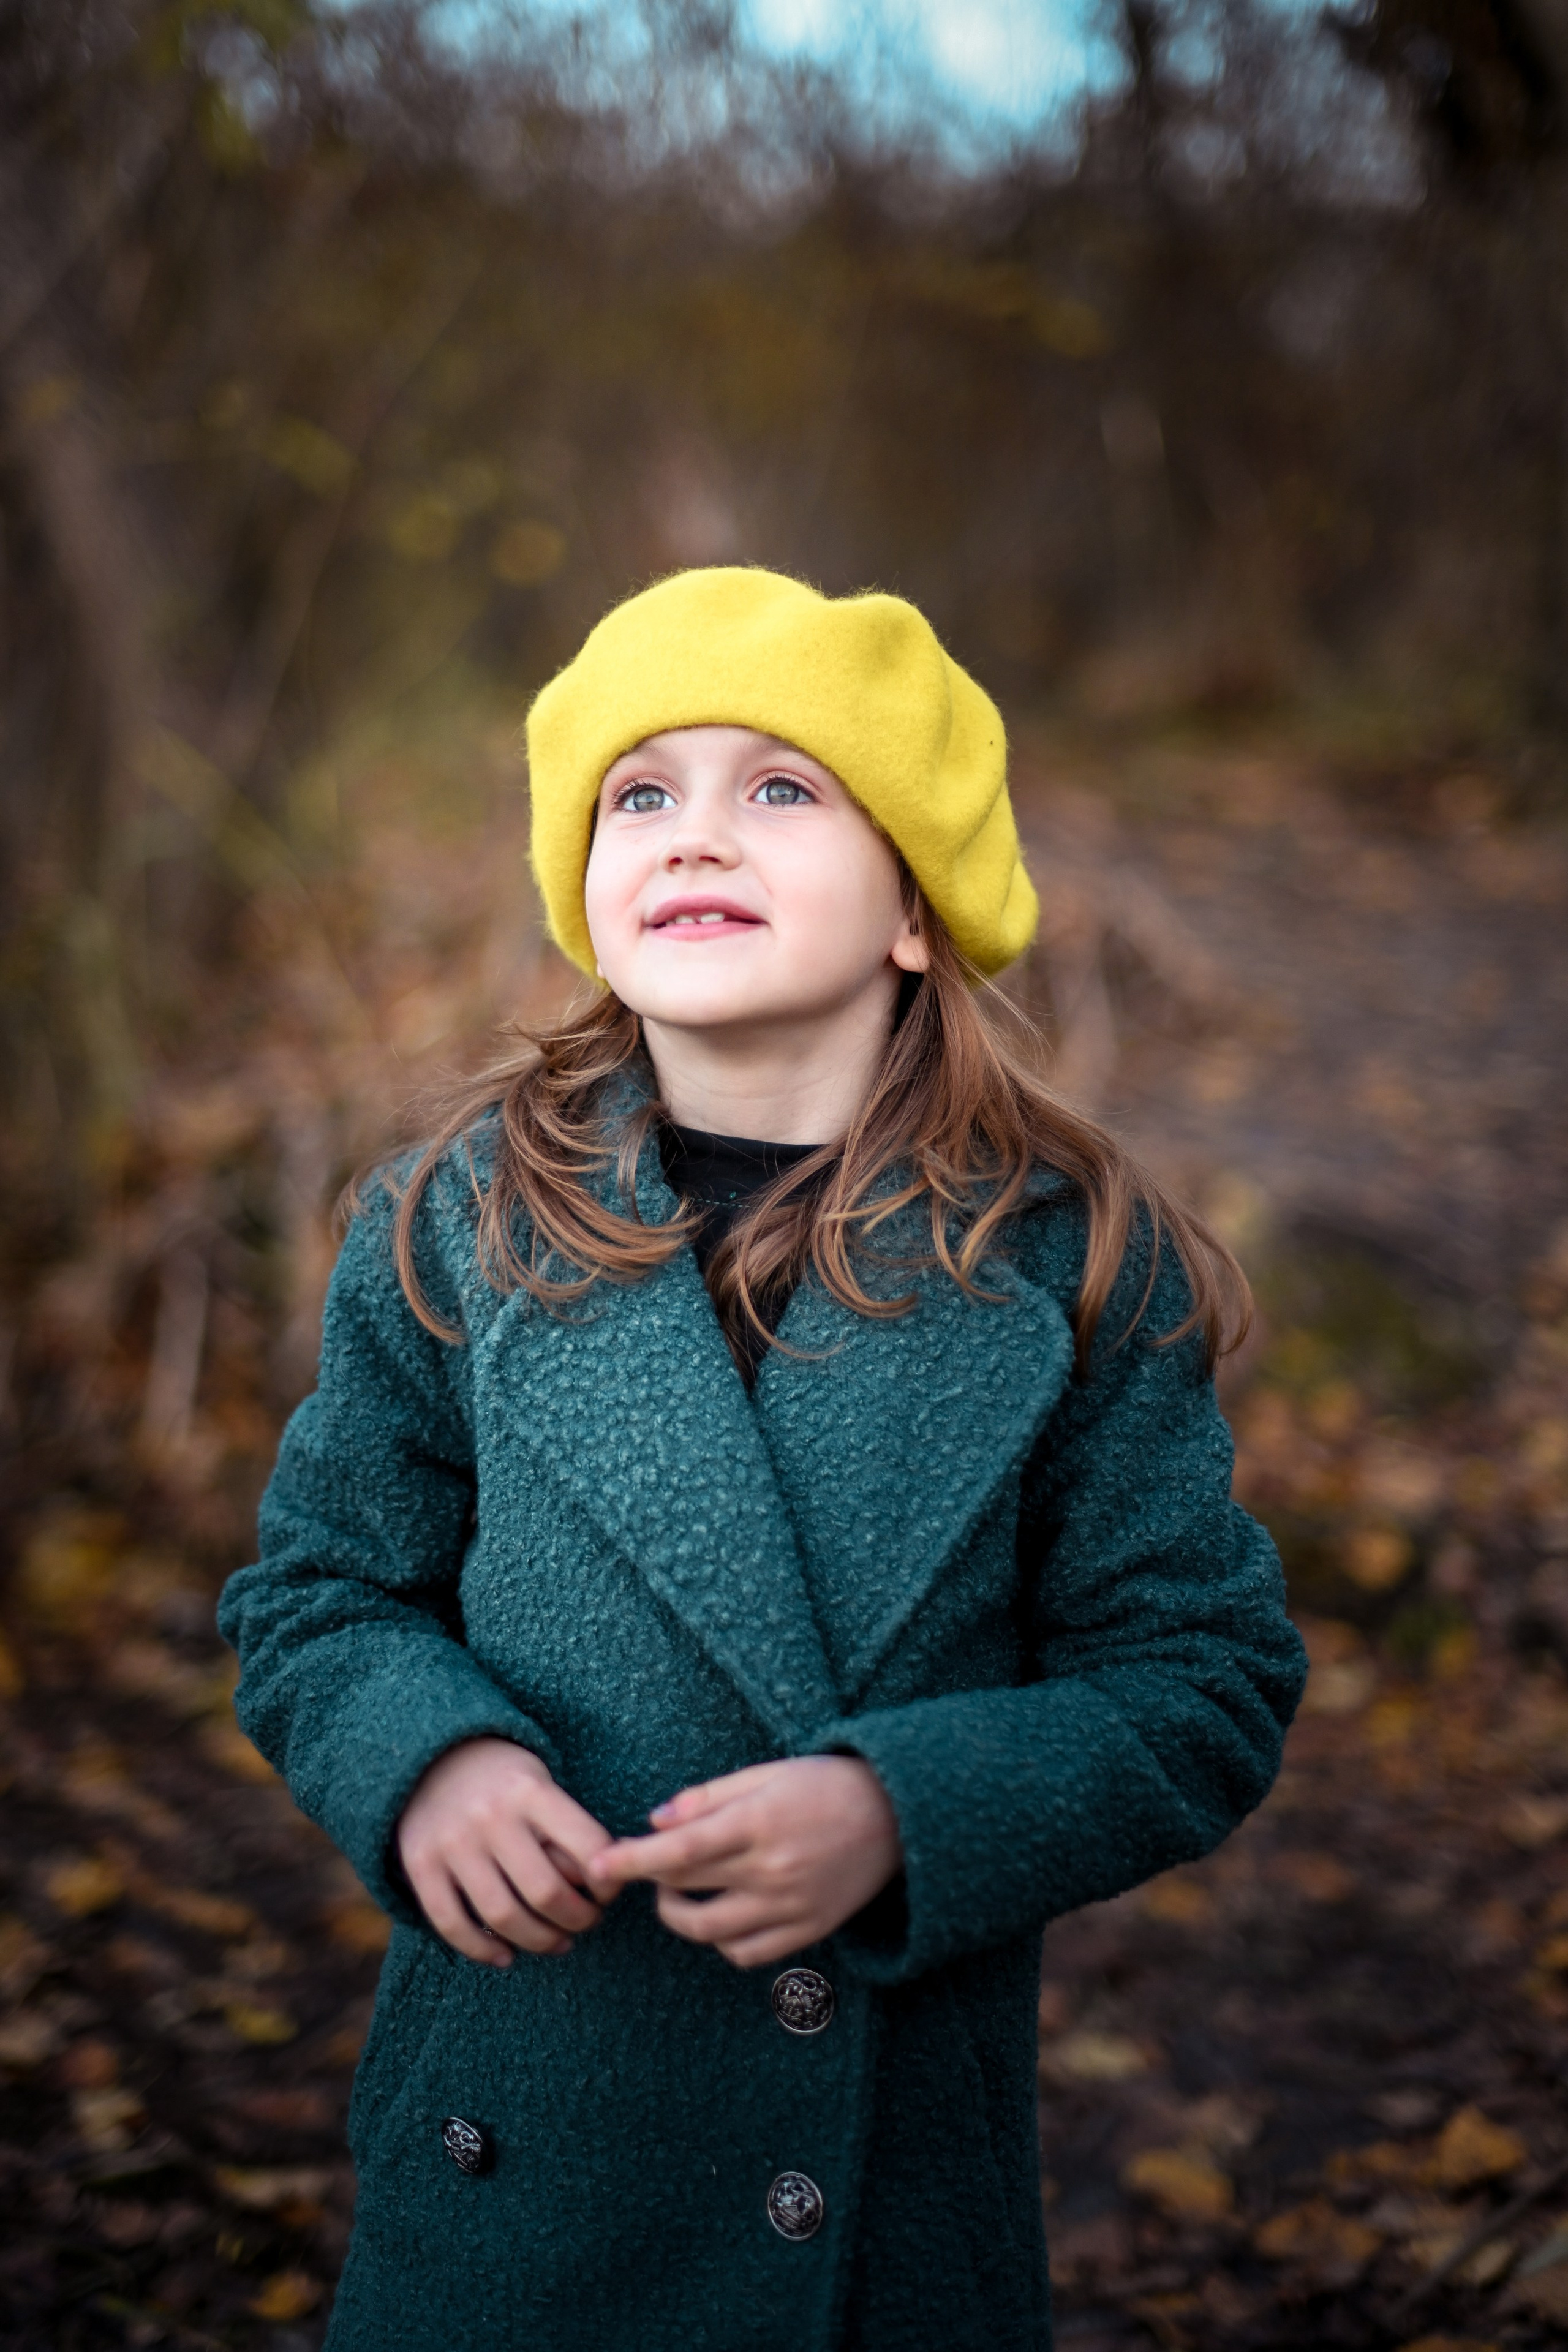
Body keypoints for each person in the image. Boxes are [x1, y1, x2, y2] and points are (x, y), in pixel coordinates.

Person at [218, 566, 1306, 2352]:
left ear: (915, 909)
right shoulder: (449, 1230)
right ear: (587, 888)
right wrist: (426, 1764)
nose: (696, 834)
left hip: (874, 2208)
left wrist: (906, 1812)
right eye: (641, 794)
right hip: (514, 2179)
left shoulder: (1074, 1265)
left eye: (783, 788)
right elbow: (320, 1593)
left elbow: (1203, 1680)